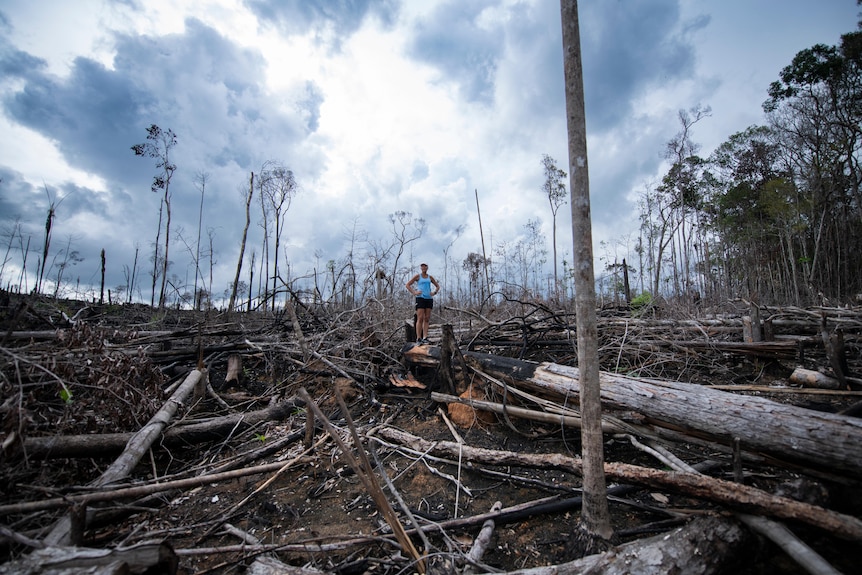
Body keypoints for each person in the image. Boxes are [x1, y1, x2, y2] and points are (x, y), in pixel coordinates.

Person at [405, 263, 440, 344]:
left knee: (427, 318)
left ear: (427, 267)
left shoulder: (430, 277)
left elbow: (437, 286)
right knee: (420, 318)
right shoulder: (418, 276)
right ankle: (418, 338)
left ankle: (425, 337)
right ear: (421, 268)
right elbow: (407, 285)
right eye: (422, 266)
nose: (424, 267)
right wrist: (414, 292)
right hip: (420, 298)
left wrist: (434, 293)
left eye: (425, 266)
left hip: (429, 299)